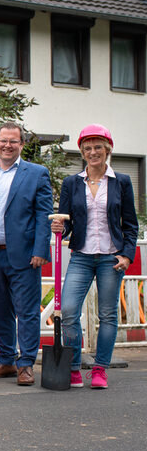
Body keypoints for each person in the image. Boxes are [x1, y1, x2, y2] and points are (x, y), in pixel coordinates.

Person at [51, 124, 138, 389]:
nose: (93, 152)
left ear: (107, 149)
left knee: (108, 315)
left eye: (98, 147)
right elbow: (65, 221)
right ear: (82, 152)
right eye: (87, 148)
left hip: (112, 257)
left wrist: (126, 255)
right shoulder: (71, 183)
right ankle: (74, 367)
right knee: (67, 311)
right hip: (82, 255)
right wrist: (59, 227)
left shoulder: (121, 181)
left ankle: (100, 369)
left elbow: (130, 224)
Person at [0, 122, 52, 386]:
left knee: (26, 312)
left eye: (13, 141)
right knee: (1, 310)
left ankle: (25, 365)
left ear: (21, 145)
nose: (7, 145)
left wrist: (40, 250)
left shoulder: (36, 173)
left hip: (25, 256)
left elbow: (43, 215)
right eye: (3, 140)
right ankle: (6, 360)